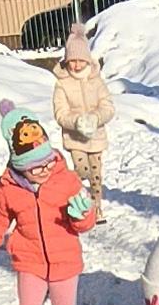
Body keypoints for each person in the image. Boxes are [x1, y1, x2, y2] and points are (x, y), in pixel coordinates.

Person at [0, 104, 95, 305]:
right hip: (29, 262)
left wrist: (82, 215)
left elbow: (85, 223)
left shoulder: (67, 181)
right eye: (36, 168)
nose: (44, 170)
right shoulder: (7, 188)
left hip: (65, 262)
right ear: (19, 167)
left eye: (47, 163)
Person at [50, 25, 117, 208]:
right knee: (82, 170)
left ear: (87, 60)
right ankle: (79, 200)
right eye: (73, 61)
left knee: (95, 174)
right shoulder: (62, 83)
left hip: (96, 136)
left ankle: (96, 205)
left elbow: (108, 107)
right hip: (75, 138)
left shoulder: (96, 81)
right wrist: (76, 122)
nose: (77, 65)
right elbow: (60, 113)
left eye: (81, 61)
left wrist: (96, 117)